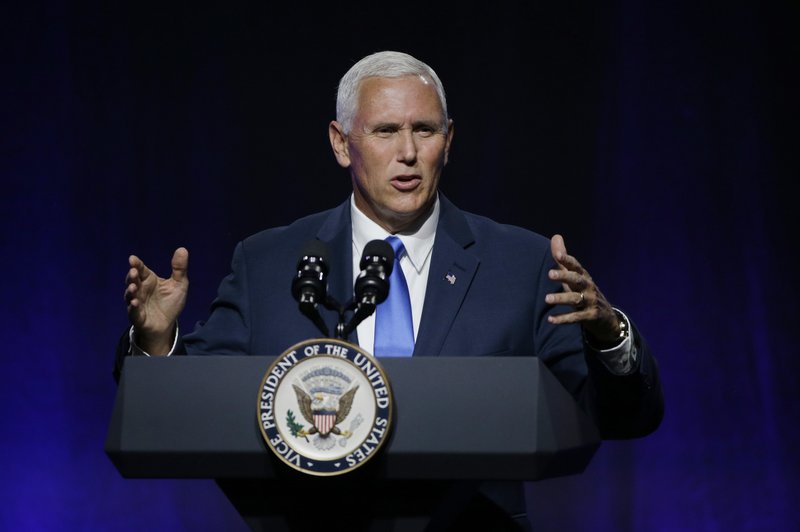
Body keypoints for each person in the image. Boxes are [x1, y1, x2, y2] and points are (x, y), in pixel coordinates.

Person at [118, 50, 663, 531]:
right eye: (385, 131)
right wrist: (156, 345)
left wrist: (609, 335)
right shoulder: (268, 263)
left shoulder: (519, 263)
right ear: (341, 143)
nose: (408, 151)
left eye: (424, 130)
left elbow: (619, 417)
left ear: (448, 142)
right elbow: (190, 406)